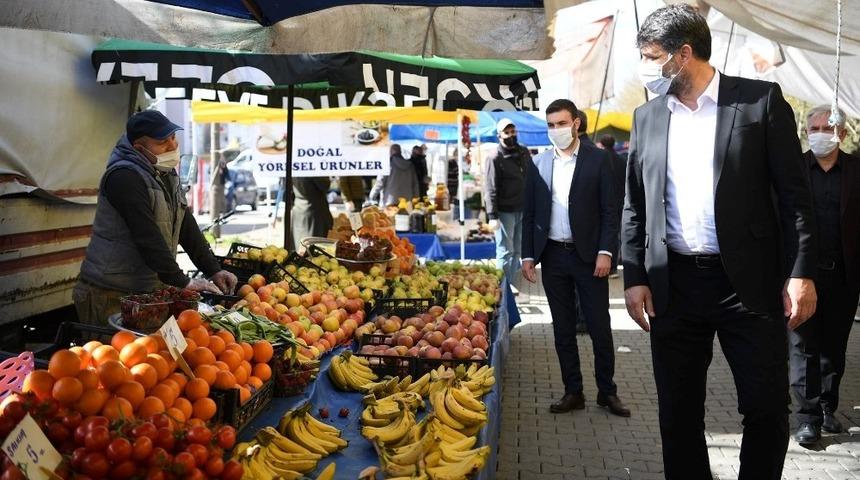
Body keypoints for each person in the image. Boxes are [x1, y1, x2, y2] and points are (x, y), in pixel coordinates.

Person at [622, 6, 817, 479]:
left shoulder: (759, 103)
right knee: (678, 413)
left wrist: (801, 272)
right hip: (675, 285)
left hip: (748, 285)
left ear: (682, 55)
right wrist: (634, 276)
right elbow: (636, 203)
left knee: (766, 408)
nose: (646, 68)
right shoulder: (646, 117)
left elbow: (796, 197)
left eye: (651, 57)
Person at [74, 111, 236, 325]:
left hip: (144, 292)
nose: (172, 146)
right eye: (162, 142)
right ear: (139, 148)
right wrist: (182, 281)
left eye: (173, 138)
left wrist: (213, 269)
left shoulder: (165, 173)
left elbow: (185, 224)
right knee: (111, 356)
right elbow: (146, 235)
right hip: (110, 293)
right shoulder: (123, 177)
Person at [522, 99, 628, 417]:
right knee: (563, 328)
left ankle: (607, 392)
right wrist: (528, 256)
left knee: (599, 326)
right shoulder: (539, 163)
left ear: (576, 123)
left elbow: (611, 210)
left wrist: (606, 252)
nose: (556, 130)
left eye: (561, 123)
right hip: (553, 256)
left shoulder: (599, 160)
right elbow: (530, 214)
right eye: (551, 125)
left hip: (589, 258)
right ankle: (573, 391)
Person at [789, 105, 860, 444]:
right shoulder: (793, 170)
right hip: (803, 276)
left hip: (844, 276)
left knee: (835, 346)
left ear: (842, 134)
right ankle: (807, 417)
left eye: (826, 127)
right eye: (813, 127)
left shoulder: (856, 171)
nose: (819, 133)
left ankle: (828, 408)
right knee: (803, 346)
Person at [484, 118, 531, 289]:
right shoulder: (494, 157)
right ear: (499, 135)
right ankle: (501, 286)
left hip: (522, 208)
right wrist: (492, 215)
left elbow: (530, 177)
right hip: (505, 211)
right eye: (506, 132)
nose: (511, 135)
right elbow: (490, 188)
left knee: (517, 250)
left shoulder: (523, 152)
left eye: (513, 131)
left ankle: (510, 284)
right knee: (505, 250)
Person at [598, 134, 627, 277]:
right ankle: (614, 267)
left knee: (606, 232)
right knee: (617, 234)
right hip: (621, 201)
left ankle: (607, 265)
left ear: (602, 144)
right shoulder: (622, 160)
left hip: (605, 202)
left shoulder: (600, 159)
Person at [291, 177, 333, 251]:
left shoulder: (295, 168)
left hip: (299, 207)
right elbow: (325, 185)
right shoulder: (313, 169)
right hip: (314, 210)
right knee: (314, 244)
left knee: (300, 243)